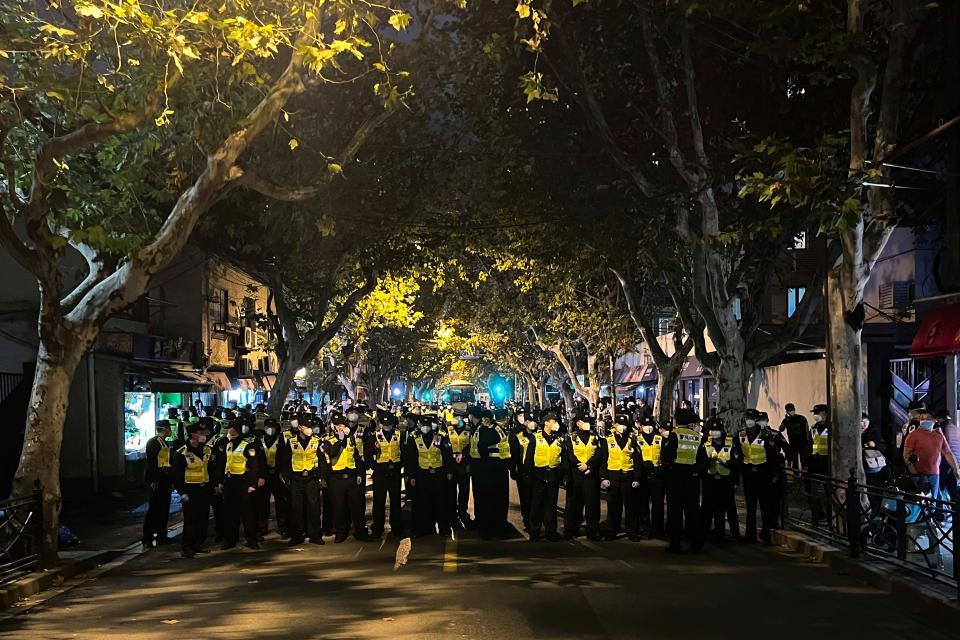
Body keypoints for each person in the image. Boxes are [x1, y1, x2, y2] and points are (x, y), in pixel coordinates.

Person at [278, 414, 325, 546]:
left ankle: (315, 535)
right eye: (306, 427)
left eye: (310, 427)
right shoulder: (292, 442)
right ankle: (297, 535)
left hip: (311, 478)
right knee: (296, 508)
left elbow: (321, 460)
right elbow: (286, 461)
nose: (309, 429)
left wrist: (321, 477)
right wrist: (286, 478)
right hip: (296, 479)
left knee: (314, 507)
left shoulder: (316, 441)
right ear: (299, 428)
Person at [662, 416, 707, 553]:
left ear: (676, 421)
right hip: (692, 479)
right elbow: (703, 460)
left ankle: (675, 545)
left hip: (676, 478)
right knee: (693, 512)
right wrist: (695, 471)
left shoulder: (674, 435)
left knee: (675, 513)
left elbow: (666, 456)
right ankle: (696, 545)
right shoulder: (697, 436)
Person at [322, 413, 369, 543]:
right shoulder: (328, 440)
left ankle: (360, 531)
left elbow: (356, 457)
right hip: (336, 478)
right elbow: (332, 453)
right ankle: (341, 532)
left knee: (357, 506)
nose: (340, 428)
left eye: (342, 425)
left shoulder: (351, 439)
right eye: (337, 426)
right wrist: (341, 439)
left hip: (351, 477)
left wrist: (360, 473)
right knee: (338, 507)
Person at [215, 419, 262, 550]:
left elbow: (254, 465)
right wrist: (220, 481)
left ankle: (251, 540)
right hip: (230, 482)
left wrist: (253, 484)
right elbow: (223, 464)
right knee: (229, 513)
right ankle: (230, 540)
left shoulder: (248, 445)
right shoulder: (228, 445)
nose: (231, 431)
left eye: (234, 429)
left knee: (247, 513)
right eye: (230, 429)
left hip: (243, 482)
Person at [737, 409, 781, 544]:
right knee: (750, 506)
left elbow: (773, 456)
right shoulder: (741, 434)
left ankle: (765, 533)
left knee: (765, 506)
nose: (748, 420)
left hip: (763, 474)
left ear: (756, 419)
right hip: (749, 474)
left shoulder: (766, 434)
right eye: (747, 418)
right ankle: (750, 534)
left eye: (751, 418)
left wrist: (774, 474)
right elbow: (738, 453)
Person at [404, 414, 451, 537]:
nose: (425, 427)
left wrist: (449, 472)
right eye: (423, 425)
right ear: (419, 425)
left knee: (441, 501)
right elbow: (411, 458)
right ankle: (424, 527)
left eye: (427, 425)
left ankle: (444, 528)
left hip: (438, 473)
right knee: (422, 502)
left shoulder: (440, 436)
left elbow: (447, 455)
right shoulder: (413, 437)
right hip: (422, 474)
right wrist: (411, 475)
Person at [468, 408, 512, 539]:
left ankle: (488, 529)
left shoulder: (486, 430)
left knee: (487, 501)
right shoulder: (497, 429)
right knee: (497, 501)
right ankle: (496, 528)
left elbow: (482, 449)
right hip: (497, 469)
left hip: (488, 469)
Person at [172, 423, 214, 558]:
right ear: (193, 435)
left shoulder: (206, 450)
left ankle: (198, 544)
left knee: (203, 519)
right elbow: (177, 475)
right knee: (190, 520)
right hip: (190, 491)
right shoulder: (182, 453)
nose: (203, 436)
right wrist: (182, 492)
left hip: (204, 489)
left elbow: (210, 469)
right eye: (201, 433)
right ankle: (187, 547)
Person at [601, 414, 643, 542]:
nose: (622, 427)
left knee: (630, 507)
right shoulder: (608, 440)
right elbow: (603, 460)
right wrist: (603, 478)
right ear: (615, 425)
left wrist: (637, 478)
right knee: (613, 506)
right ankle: (611, 531)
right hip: (613, 476)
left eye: (624, 424)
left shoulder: (632, 440)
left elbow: (636, 461)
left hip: (628, 476)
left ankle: (632, 532)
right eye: (619, 424)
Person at [525, 410, 565, 542]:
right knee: (536, 505)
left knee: (551, 506)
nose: (556, 424)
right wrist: (529, 476)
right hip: (538, 476)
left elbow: (562, 459)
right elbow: (529, 459)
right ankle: (534, 531)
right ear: (546, 423)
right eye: (554, 421)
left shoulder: (559, 439)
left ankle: (551, 531)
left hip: (553, 475)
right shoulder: (536, 438)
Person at [902, 412, 960, 499]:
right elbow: (907, 454)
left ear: (934, 420)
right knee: (921, 500)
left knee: (934, 500)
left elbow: (947, 453)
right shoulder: (913, 435)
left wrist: (956, 469)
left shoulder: (939, 436)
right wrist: (914, 473)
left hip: (934, 474)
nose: (924, 420)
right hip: (919, 473)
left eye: (927, 418)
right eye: (922, 418)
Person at [701, 417, 741, 543]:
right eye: (712, 430)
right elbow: (701, 462)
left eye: (716, 429)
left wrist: (727, 463)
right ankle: (703, 534)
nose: (714, 432)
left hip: (725, 481)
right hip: (710, 480)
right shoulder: (706, 443)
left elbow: (736, 462)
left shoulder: (730, 442)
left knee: (723, 510)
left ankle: (722, 534)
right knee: (707, 510)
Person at [564, 415, 602, 541]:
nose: (587, 424)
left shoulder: (595, 437)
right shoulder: (571, 438)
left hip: (590, 475)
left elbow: (598, 454)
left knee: (592, 505)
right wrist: (579, 465)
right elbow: (569, 454)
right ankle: (570, 530)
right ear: (578, 423)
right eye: (584, 422)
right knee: (573, 505)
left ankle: (592, 531)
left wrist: (589, 466)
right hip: (576, 475)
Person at [368, 412, 405, 538]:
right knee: (379, 502)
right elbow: (369, 453)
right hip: (380, 472)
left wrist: (400, 466)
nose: (387, 426)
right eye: (384, 424)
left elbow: (403, 452)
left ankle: (397, 527)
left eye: (389, 424)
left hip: (394, 472)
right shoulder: (374, 436)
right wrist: (374, 456)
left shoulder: (399, 434)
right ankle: (377, 528)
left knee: (395, 501)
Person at [142, 420, 174, 548]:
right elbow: (152, 463)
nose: (170, 430)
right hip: (157, 480)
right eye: (169, 428)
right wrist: (154, 480)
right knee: (154, 509)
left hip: (165, 479)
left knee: (164, 508)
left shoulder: (163, 442)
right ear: (164, 429)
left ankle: (162, 535)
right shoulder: (153, 443)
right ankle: (147, 538)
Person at [258, 417, 287, 538]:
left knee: (280, 503)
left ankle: (283, 527)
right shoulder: (260, 440)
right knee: (263, 504)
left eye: (273, 427)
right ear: (264, 428)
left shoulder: (281, 439)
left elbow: (285, 458)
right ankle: (262, 528)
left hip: (277, 475)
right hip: (264, 476)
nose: (270, 429)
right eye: (268, 427)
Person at [637, 417, 664, 540]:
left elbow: (664, 455)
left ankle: (657, 530)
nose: (648, 427)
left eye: (650, 425)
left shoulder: (660, 439)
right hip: (643, 476)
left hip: (657, 476)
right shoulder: (636, 440)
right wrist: (643, 464)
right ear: (641, 426)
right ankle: (645, 529)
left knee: (658, 505)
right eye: (646, 425)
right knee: (643, 504)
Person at [444, 414, 473, 529]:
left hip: (464, 463)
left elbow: (471, 445)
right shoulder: (448, 430)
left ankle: (462, 511)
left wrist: (464, 455)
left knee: (464, 489)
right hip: (451, 463)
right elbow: (445, 446)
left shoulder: (468, 431)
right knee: (451, 489)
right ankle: (452, 513)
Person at [511, 417, 538, 532]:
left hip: (536, 471)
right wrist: (513, 470)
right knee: (525, 498)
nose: (532, 423)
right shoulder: (518, 436)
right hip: (523, 472)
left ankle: (536, 521)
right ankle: (527, 522)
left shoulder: (539, 436)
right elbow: (514, 454)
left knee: (536, 499)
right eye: (528, 421)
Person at [778, 403, 808, 469]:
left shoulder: (801, 418)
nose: (790, 411)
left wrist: (807, 442)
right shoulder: (786, 420)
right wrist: (785, 421)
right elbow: (781, 429)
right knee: (794, 462)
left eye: (791, 409)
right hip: (793, 444)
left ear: (794, 409)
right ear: (786, 411)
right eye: (788, 410)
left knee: (804, 461)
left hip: (802, 443)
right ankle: (796, 477)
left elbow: (807, 431)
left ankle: (805, 477)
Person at [807, 404, 830, 475]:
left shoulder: (831, 428)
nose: (815, 415)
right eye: (814, 413)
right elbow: (810, 444)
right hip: (814, 460)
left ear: (825, 413)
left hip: (827, 461)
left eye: (817, 413)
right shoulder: (813, 428)